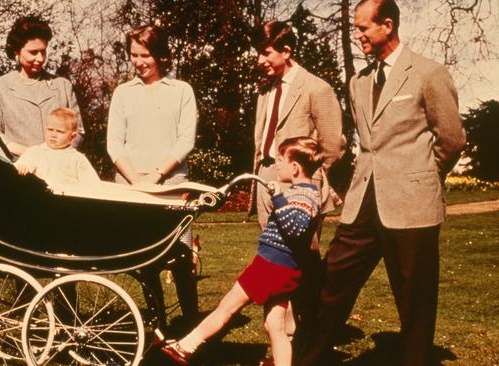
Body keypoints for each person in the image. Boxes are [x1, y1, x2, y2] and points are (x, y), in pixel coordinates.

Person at [298, 1, 466, 365]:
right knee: (332, 281)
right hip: (363, 202)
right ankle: (307, 358)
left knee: (414, 298)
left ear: (387, 25)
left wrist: (420, 176)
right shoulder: (358, 82)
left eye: (363, 28)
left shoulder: (428, 73)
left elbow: (451, 140)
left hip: (412, 205)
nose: (357, 36)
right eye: (356, 29)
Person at [161, 137, 324, 366]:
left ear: (295, 167)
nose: (276, 164)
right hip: (284, 270)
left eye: (280, 160)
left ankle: (185, 346)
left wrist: (278, 198)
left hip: (271, 267)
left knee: (227, 307)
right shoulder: (304, 192)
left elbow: (295, 228)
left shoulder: (304, 196)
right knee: (274, 325)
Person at [249, 19, 345, 358]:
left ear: (287, 51)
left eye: (266, 52)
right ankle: (282, 338)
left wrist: (308, 185)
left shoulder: (316, 88)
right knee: (275, 260)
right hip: (267, 182)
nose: (259, 59)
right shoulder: (265, 89)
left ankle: (308, 337)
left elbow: (332, 146)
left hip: (299, 189)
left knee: (303, 260)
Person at [106, 24, 199, 327]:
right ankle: (158, 325)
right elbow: (113, 144)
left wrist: (157, 175)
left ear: (160, 54)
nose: (139, 61)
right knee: (144, 260)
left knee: (182, 258)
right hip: (134, 188)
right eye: (133, 55)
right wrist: (137, 181)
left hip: (172, 186)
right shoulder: (123, 93)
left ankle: (191, 324)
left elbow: (186, 140)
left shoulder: (181, 91)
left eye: (145, 54)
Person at [0, 15, 83, 158]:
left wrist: (59, 155)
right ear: (17, 52)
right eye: (33, 52)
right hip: (17, 170)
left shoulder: (63, 86)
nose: (40, 59)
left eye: (43, 51)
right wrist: (33, 155)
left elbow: (78, 131)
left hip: (59, 168)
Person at [14, 108, 99, 190]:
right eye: (50, 129)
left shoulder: (78, 159)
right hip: (41, 196)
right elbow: (22, 165)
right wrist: (23, 167)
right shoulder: (36, 152)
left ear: (72, 136)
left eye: (60, 131)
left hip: (67, 199)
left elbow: (92, 184)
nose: (53, 134)